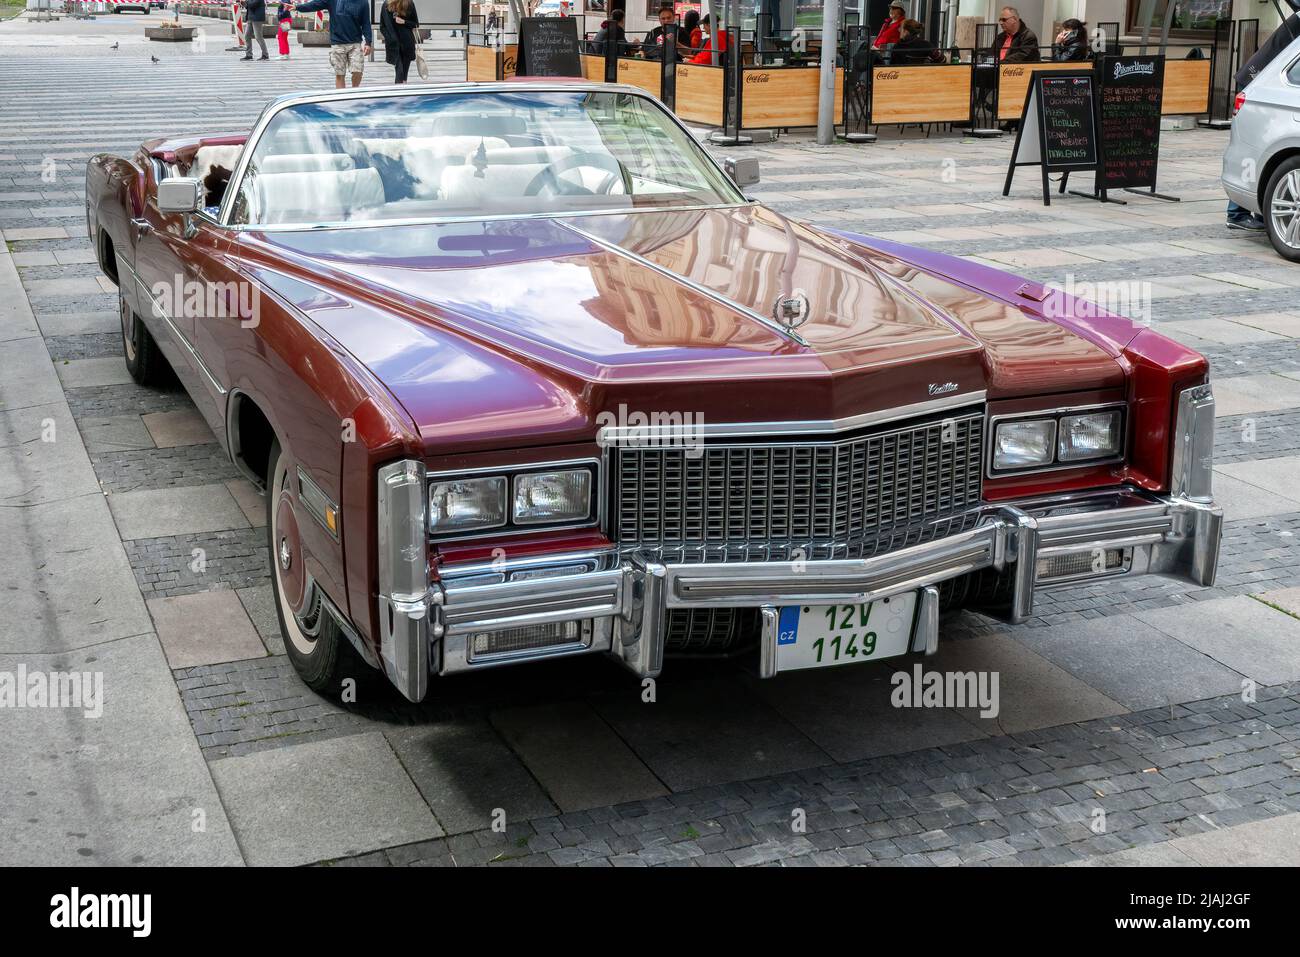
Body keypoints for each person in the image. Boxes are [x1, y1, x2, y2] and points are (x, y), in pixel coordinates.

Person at [288, 0, 373, 88]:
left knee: (358, 71)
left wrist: (368, 42)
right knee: (340, 74)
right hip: (337, 43)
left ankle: (354, 92)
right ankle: (341, 98)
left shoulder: (363, 2)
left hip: (355, 43)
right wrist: (297, 7)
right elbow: (315, 4)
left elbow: (366, 22)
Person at [380, 0, 420, 82]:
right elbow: (382, 26)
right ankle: (399, 90)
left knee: (404, 74)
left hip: (407, 43)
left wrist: (404, 22)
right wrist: (389, 38)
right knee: (400, 71)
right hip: (393, 44)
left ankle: (402, 89)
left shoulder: (409, 3)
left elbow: (415, 24)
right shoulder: (386, 4)